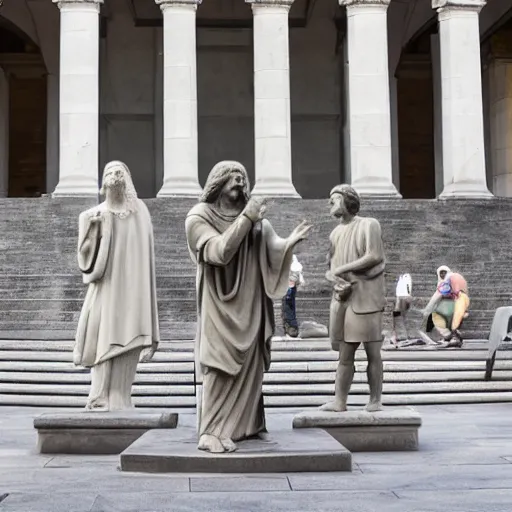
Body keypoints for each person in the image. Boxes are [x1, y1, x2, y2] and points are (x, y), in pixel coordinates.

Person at [185, 160, 311, 453]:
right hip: (219, 304)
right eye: (233, 176)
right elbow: (218, 252)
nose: (240, 182)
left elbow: (273, 248)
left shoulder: (257, 222)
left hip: (252, 302)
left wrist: (288, 243)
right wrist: (246, 218)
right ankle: (211, 432)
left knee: (251, 363)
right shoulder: (198, 217)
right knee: (220, 362)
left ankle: (249, 425)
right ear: (217, 182)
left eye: (243, 177)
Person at [73, 161, 159, 411]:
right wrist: (93, 229)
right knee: (102, 337)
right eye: (109, 172)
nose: (115, 175)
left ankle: (122, 398)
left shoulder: (140, 213)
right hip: (106, 289)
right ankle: (98, 396)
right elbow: (84, 260)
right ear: (103, 182)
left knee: (128, 338)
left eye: (120, 171)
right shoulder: (91, 214)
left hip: (132, 290)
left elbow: (146, 257)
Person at [321, 184, 386, 413]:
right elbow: (330, 267)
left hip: (366, 299)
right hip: (343, 299)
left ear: (348, 200)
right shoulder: (335, 233)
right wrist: (334, 277)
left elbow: (374, 255)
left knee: (372, 352)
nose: (330, 204)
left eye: (334, 199)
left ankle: (375, 399)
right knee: (344, 354)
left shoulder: (369, 224)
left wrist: (342, 270)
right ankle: (340, 401)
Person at [423, 266, 470, 347]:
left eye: (444, 272)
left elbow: (436, 297)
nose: (442, 274)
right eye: (441, 273)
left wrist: (427, 310)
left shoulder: (447, 281)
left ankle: (453, 337)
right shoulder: (448, 281)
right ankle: (450, 337)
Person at [281, 255, 305, 338]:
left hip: (289, 286)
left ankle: (291, 327)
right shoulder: (291, 260)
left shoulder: (292, 261)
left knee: (288, 306)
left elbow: (293, 278)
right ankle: (289, 327)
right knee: (287, 306)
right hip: (288, 285)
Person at [391, 273, 413, 344]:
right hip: (400, 297)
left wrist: (408, 295)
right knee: (397, 314)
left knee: (402, 315)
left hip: (404, 297)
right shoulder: (401, 278)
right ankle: (397, 335)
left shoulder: (407, 277)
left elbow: (408, 286)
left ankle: (403, 335)